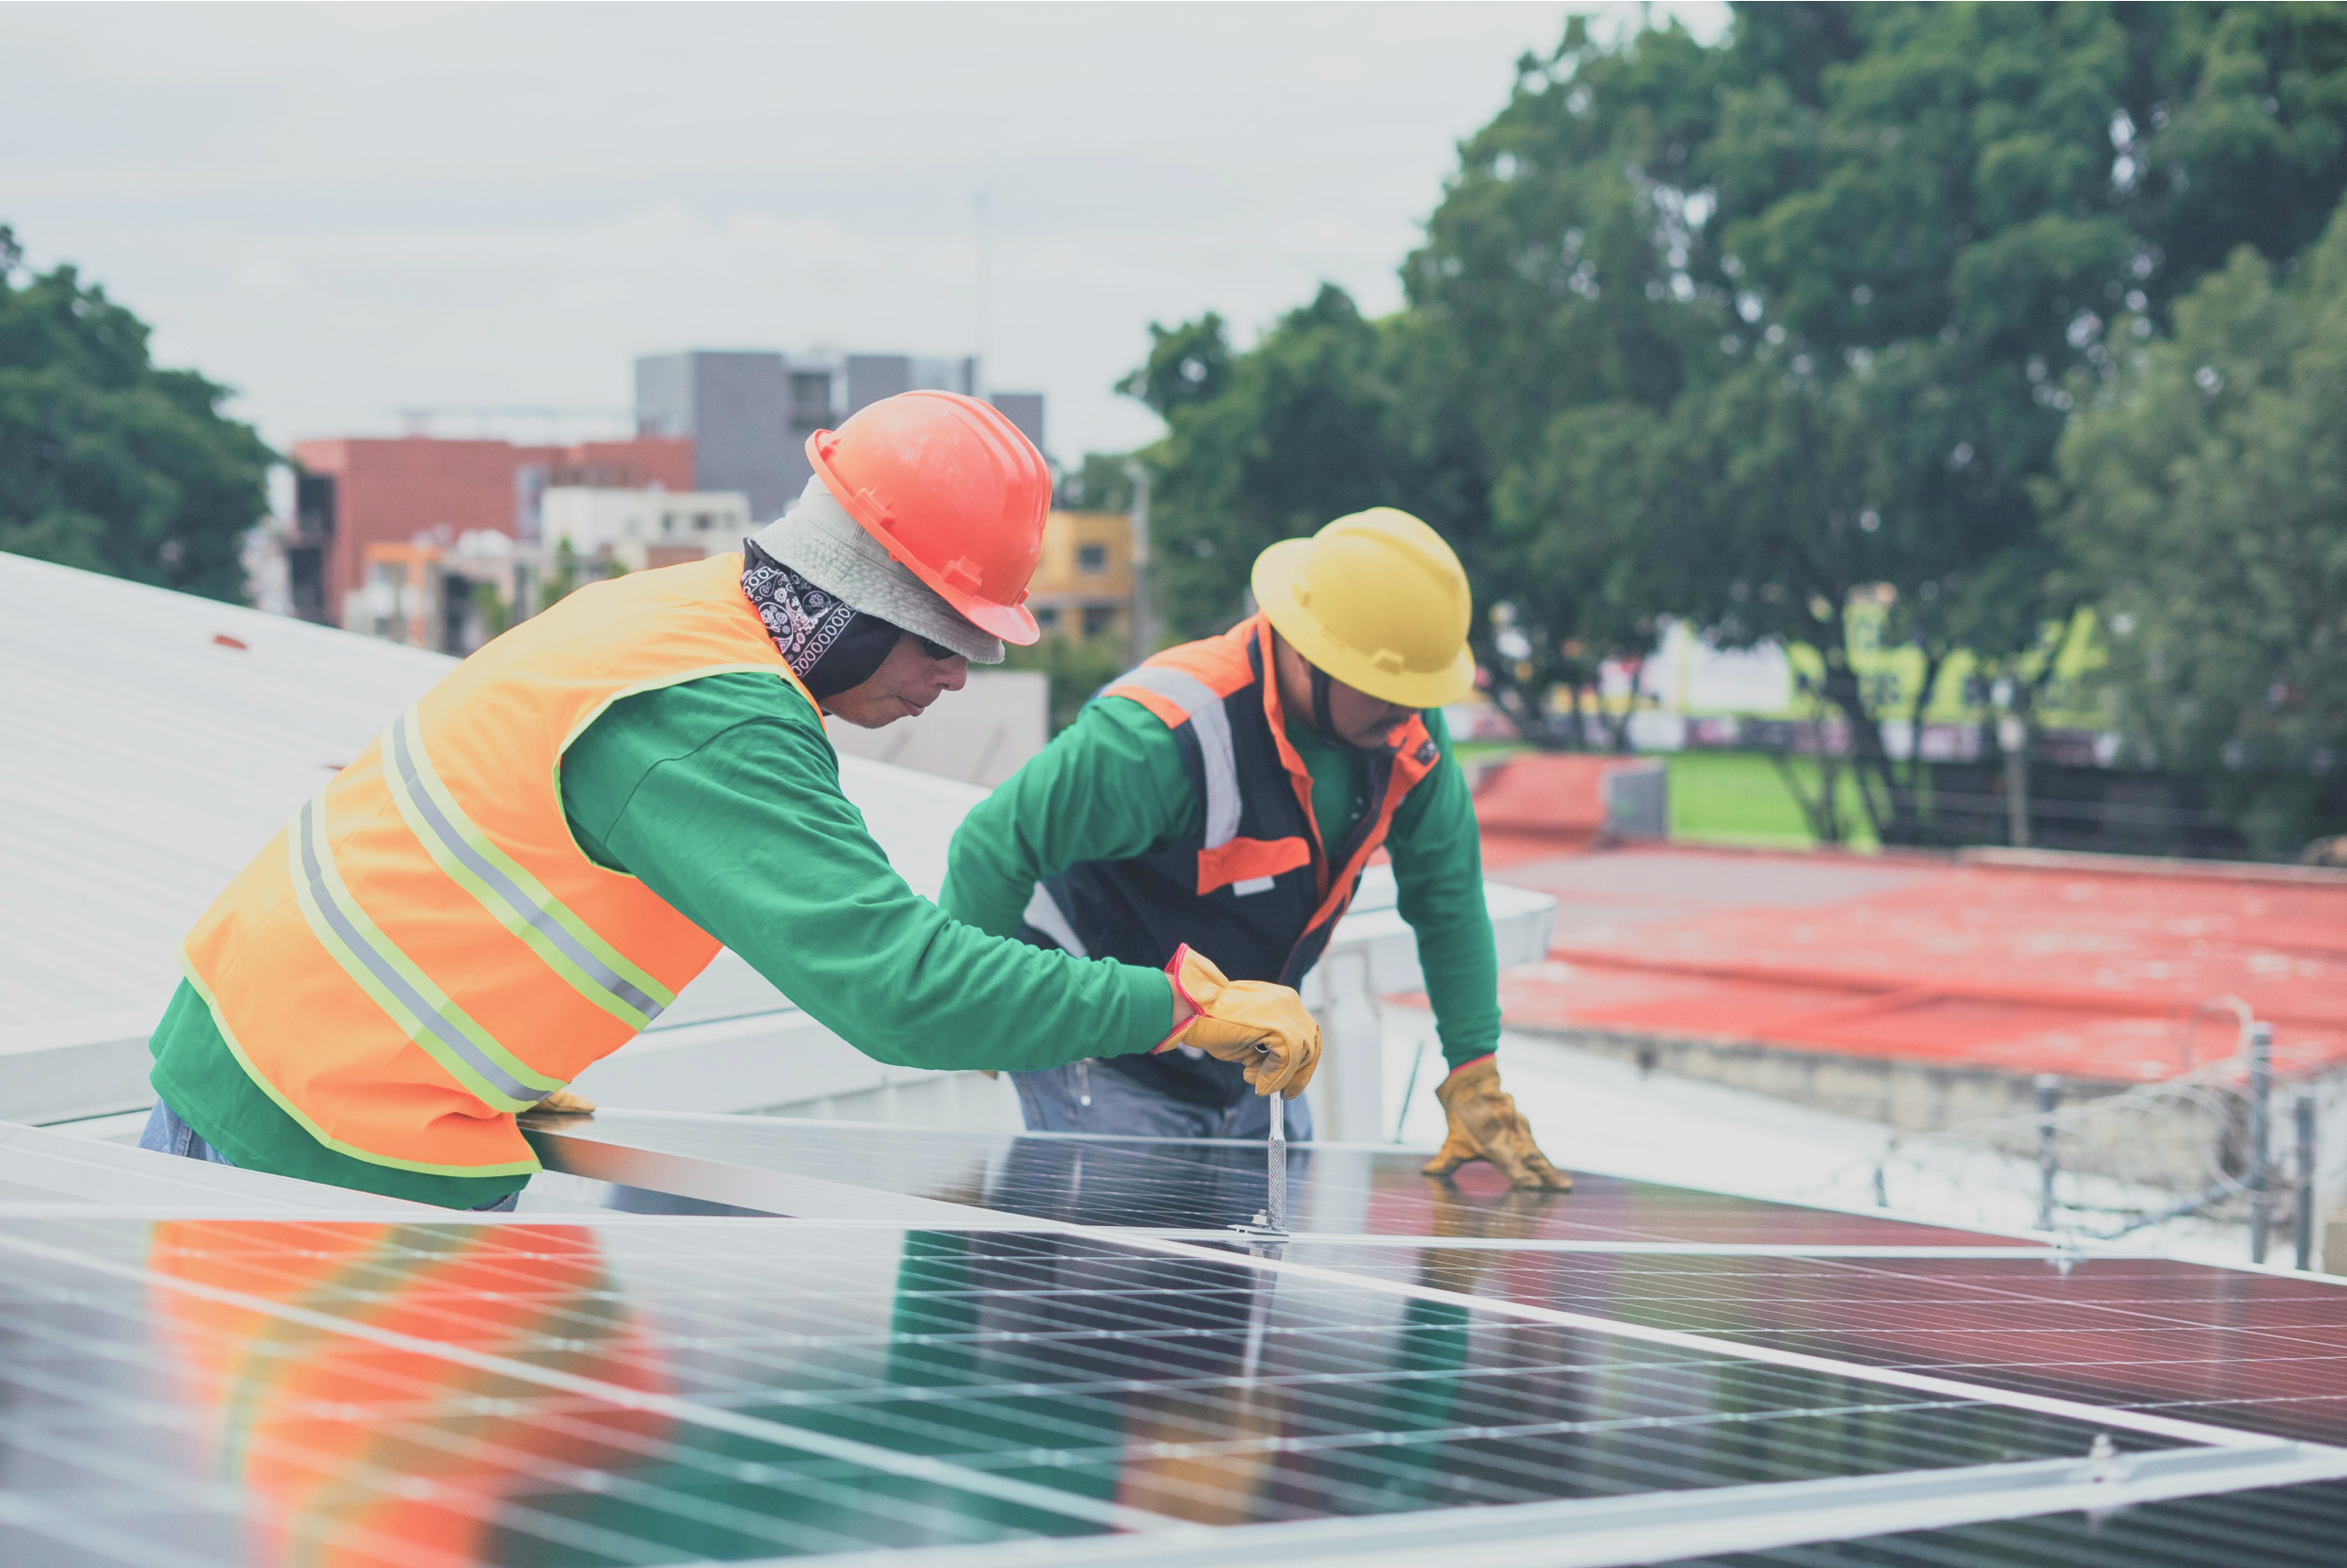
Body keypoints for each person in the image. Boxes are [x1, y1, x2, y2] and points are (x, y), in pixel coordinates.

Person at [139, 392, 1319, 1209]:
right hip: (317, 1123)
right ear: (864, 594)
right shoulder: (713, 718)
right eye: (949, 638)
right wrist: (1174, 1007)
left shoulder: (681, 614)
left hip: (294, 1060)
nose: (958, 676)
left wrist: (498, 1045)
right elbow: (898, 992)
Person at [940, 508, 1566, 1188]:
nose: (1409, 715)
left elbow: (1447, 899)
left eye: (1418, 695)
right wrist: (978, 1015)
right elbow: (992, 844)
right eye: (1389, 691)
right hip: (1109, 1057)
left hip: (1251, 1060)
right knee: (1129, 1274)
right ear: (1308, 652)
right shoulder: (1162, 735)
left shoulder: (1403, 735)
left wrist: (1474, 1071)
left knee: (1253, 1276)